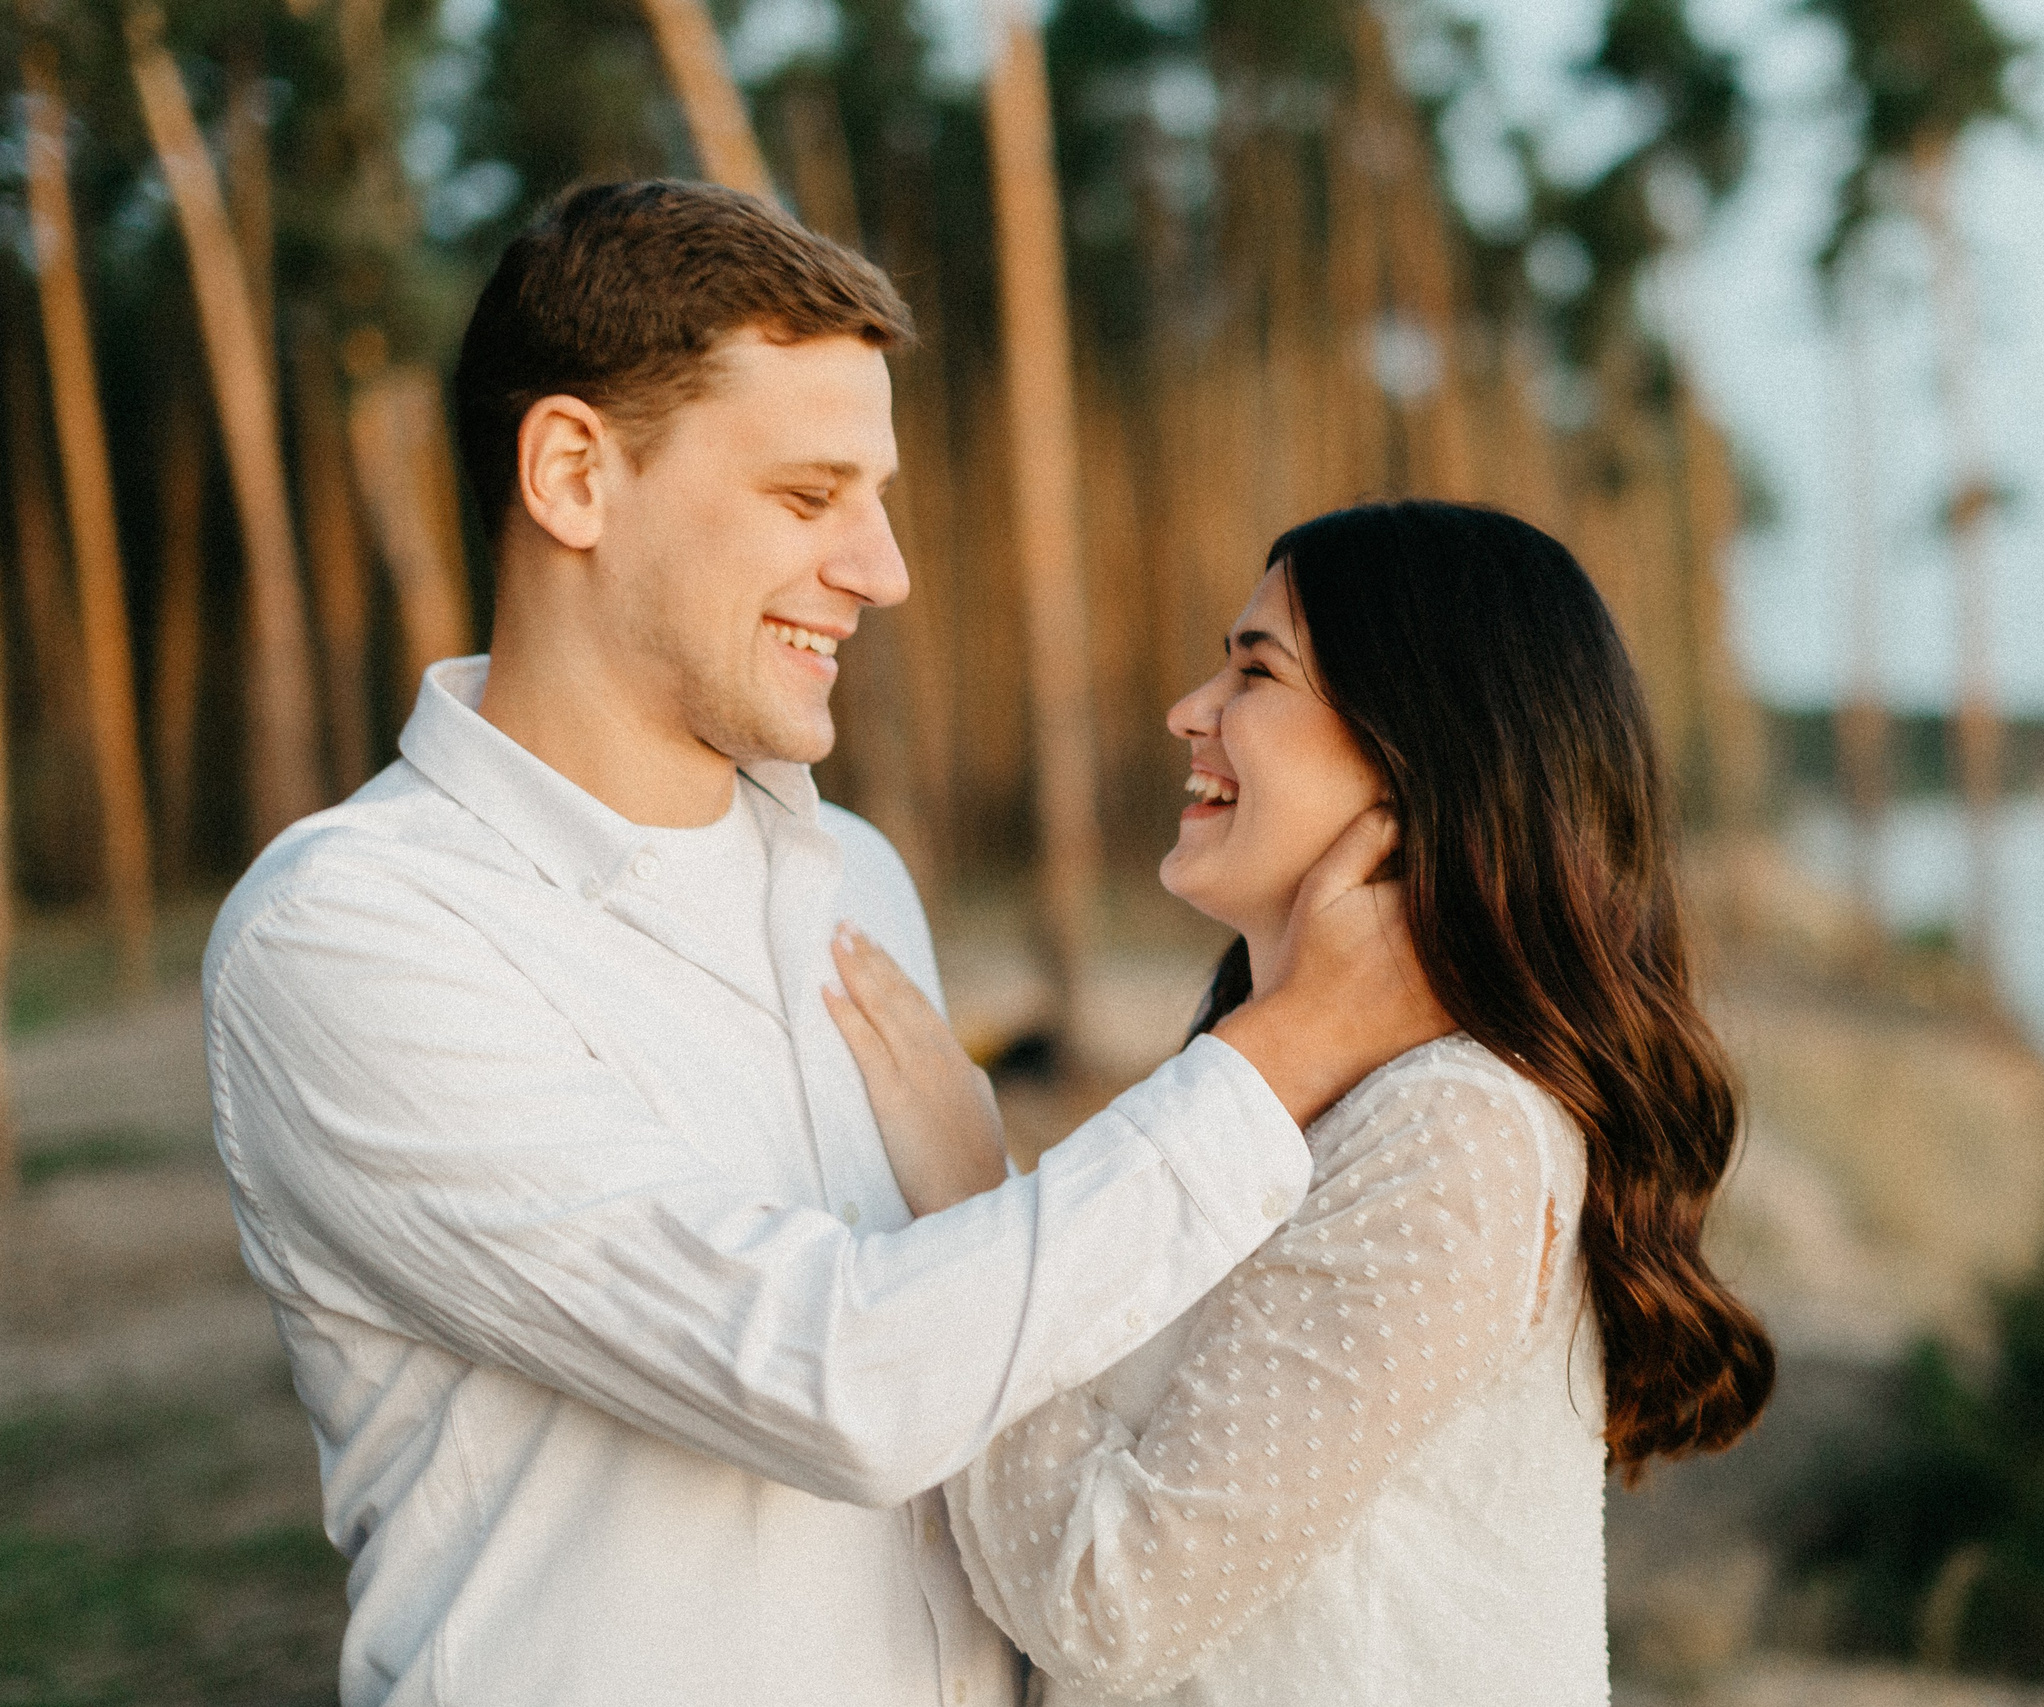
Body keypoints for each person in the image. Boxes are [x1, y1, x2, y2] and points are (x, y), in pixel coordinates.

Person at [199, 181, 1447, 1707]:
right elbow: (835, 1375)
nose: (885, 568)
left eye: (879, 497)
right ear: (574, 473)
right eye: (810, 496)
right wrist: (1294, 1046)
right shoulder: (352, 934)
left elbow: (983, 1385)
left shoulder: (854, 874)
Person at [825, 501, 1778, 1706]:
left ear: (1414, 750)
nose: (1190, 710)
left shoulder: (1457, 1133)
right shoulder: (1313, 1104)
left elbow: (1110, 1601)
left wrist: (966, 1206)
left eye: (1253, 671)